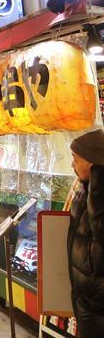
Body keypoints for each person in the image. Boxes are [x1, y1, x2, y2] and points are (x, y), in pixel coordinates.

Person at [68, 129, 104, 336]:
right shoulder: (86, 188)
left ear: (93, 163)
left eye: (76, 159)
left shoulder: (97, 191)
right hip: (87, 300)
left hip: (98, 305)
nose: (73, 165)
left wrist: (99, 182)